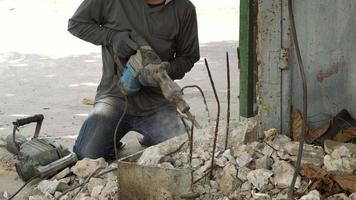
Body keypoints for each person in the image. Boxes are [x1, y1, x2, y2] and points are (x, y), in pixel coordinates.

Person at [68, 0, 200, 161]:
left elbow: (188, 57)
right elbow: (76, 24)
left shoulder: (183, 8)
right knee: (86, 156)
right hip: (114, 98)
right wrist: (112, 37)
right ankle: (111, 137)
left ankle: (151, 136)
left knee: (188, 152)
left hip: (157, 105)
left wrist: (165, 70)